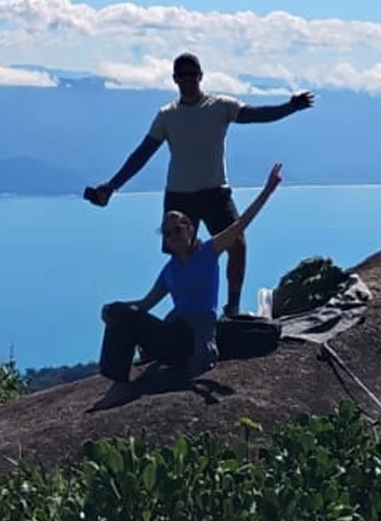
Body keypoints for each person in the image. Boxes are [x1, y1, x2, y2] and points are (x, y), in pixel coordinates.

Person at [85, 52, 313, 317]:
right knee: (181, 256)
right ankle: (184, 313)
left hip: (216, 192)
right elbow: (142, 154)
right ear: (174, 79)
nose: (187, 80)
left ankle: (233, 308)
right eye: (182, 76)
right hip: (180, 195)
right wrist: (111, 187)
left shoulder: (220, 106)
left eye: (192, 75)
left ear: (201, 76)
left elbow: (256, 114)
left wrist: (290, 107)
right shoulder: (167, 116)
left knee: (238, 244)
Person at [97, 162, 284, 388]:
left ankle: (120, 384)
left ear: (190, 229)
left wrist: (267, 190)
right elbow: (145, 304)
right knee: (118, 311)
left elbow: (239, 225)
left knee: (131, 316)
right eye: (168, 233)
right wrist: (114, 310)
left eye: (178, 229)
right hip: (172, 337)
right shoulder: (169, 270)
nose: (173, 236)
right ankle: (117, 379)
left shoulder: (208, 252)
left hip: (194, 341)